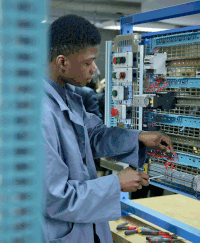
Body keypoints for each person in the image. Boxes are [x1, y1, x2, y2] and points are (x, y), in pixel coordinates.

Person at [42, 14, 176, 243]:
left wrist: (140, 137)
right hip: (58, 230)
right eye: (88, 62)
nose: (95, 68)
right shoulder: (40, 115)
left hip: (82, 224)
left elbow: (93, 135)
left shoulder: (67, 95)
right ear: (62, 62)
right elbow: (56, 198)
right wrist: (116, 184)